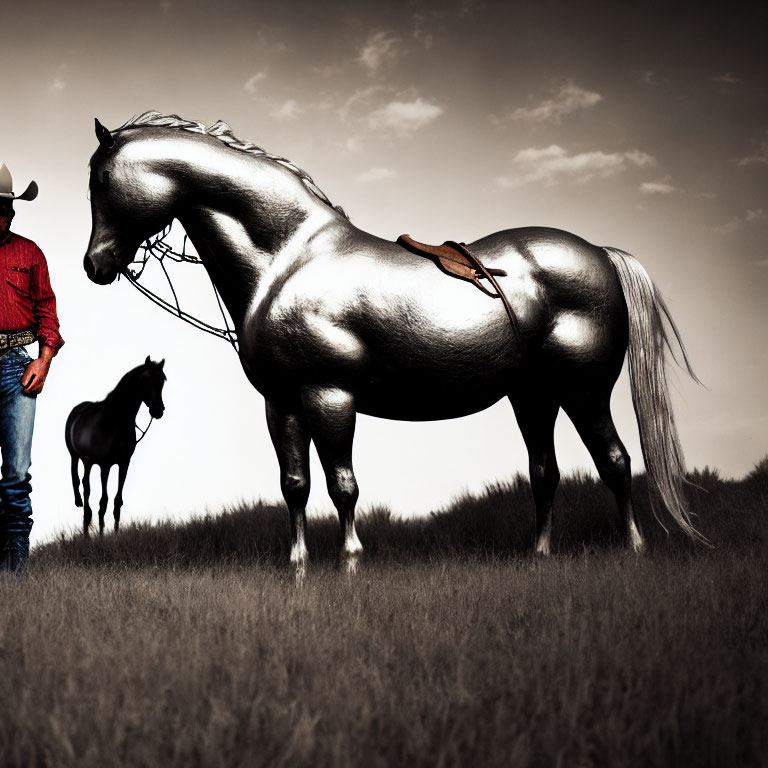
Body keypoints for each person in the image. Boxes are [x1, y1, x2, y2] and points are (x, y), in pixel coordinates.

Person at [0, 163, 64, 573]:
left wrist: (44, 360)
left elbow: (48, 312)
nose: (1, 214)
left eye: (4, 207)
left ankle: (16, 571)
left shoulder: (30, 253)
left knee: (17, 475)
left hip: (18, 369)